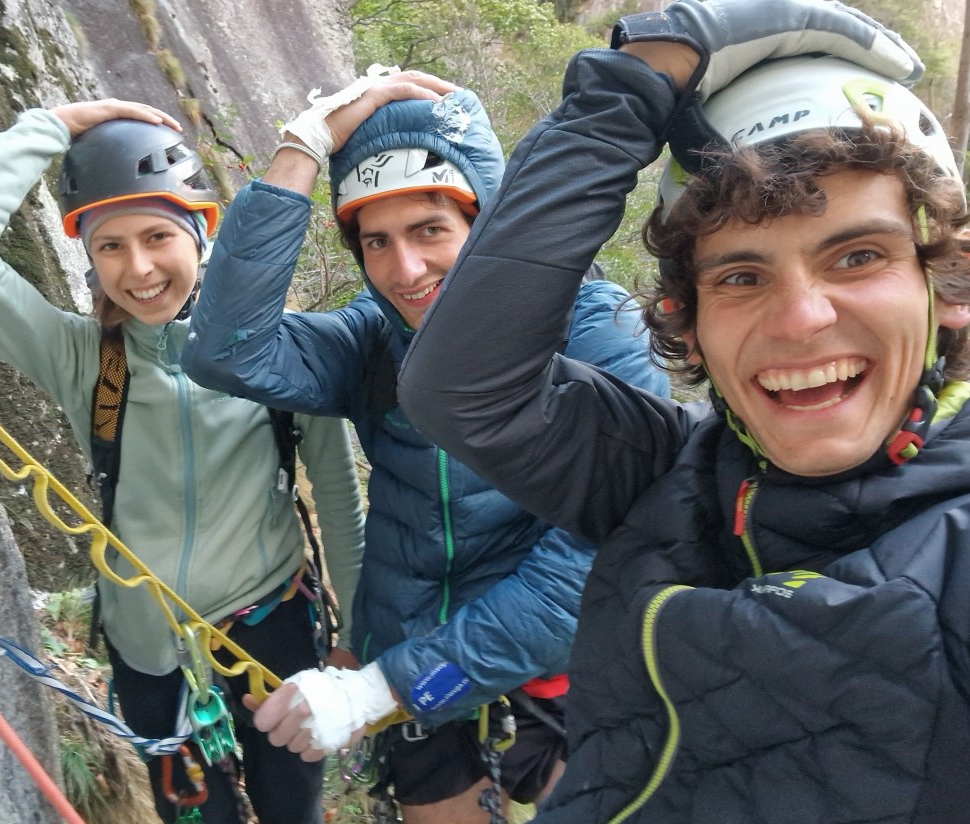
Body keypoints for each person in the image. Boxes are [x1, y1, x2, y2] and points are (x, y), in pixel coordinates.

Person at [396, 0, 970, 822]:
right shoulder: (669, 473)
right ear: (688, 323)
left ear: (946, 286)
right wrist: (628, 88)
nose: (801, 319)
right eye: (741, 276)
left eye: (858, 256)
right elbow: (460, 387)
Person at [180, 70, 670, 822]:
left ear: (488, 221)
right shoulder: (374, 339)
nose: (404, 270)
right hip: (412, 675)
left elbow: (599, 561)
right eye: (376, 241)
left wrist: (385, 686)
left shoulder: (591, 332)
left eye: (430, 230)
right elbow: (225, 351)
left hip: (558, 671)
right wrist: (304, 146)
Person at [0, 99, 366, 824]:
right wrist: (53, 126)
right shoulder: (85, 359)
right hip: (150, 654)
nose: (139, 268)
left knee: (292, 810)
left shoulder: (276, 349)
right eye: (110, 247)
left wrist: (355, 647)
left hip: (268, 629)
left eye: (158, 236)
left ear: (201, 233)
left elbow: (339, 503)